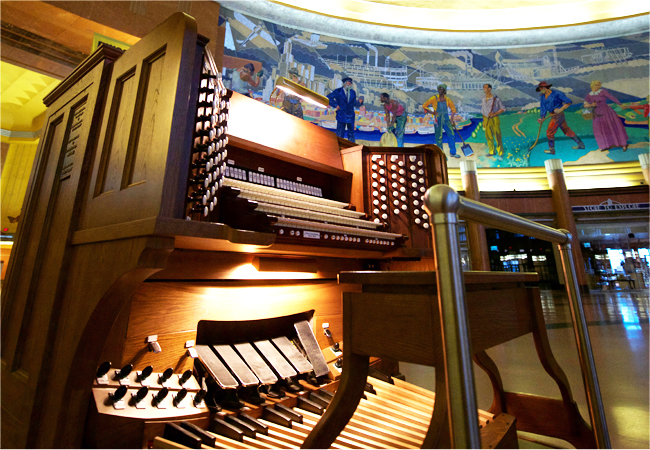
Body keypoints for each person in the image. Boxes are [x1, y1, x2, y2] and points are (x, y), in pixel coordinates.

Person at [536, 81, 585, 155]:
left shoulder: (556, 94)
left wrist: (560, 109)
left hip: (558, 115)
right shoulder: (543, 96)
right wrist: (542, 118)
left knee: (549, 132)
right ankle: (580, 144)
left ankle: (551, 150)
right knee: (566, 130)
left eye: (541, 89)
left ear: (545, 88)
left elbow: (568, 102)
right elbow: (543, 108)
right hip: (552, 115)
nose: (540, 90)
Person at [583, 80, 628, 151]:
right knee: (600, 129)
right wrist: (591, 105)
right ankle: (606, 145)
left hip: (606, 111)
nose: (598, 86)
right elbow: (585, 105)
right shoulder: (589, 95)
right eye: (597, 85)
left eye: (599, 85)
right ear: (593, 85)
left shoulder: (602, 91)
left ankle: (623, 145)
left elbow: (612, 97)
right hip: (597, 113)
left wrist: (620, 104)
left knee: (614, 126)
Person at [423, 84, 460, 158]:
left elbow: (453, 109)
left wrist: (452, 119)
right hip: (438, 120)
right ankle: (441, 155)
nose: (440, 91)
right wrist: (432, 112)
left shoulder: (447, 99)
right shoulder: (434, 98)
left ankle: (453, 152)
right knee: (439, 138)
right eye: (439, 90)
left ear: (444, 91)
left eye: (441, 90)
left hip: (446, 119)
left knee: (452, 135)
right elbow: (424, 105)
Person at [326, 77, 363, 142]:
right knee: (340, 134)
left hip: (350, 116)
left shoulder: (353, 92)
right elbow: (328, 98)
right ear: (345, 84)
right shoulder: (338, 91)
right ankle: (339, 148)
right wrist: (335, 105)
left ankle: (351, 149)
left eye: (351, 83)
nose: (350, 85)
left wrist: (359, 103)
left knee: (351, 135)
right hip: (341, 115)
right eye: (349, 83)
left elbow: (353, 103)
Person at [481, 84, 505, 157]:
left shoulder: (496, 99)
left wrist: (495, 113)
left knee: (497, 136)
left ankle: (500, 153)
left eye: (485, 88)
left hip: (494, 119)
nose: (484, 89)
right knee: (488, 136)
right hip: (486, 119)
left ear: (489, 89)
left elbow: (503, 108)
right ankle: (491, 151)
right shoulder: (483, 99)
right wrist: (483, 121)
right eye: (483, 88)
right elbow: (483, 111)